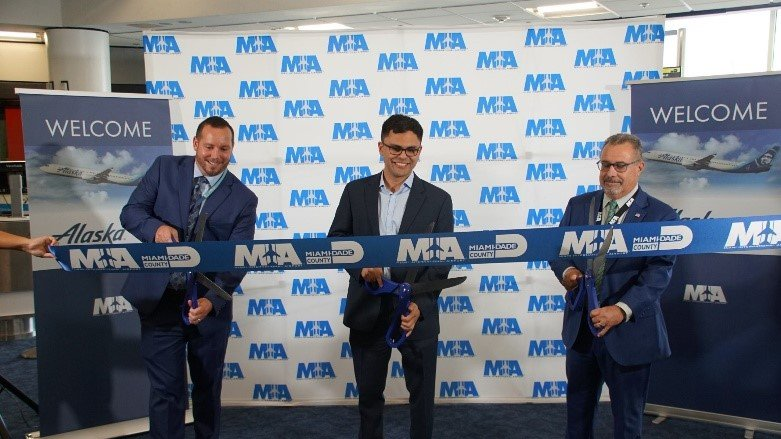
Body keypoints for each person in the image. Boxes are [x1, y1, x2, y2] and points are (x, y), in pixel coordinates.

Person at [120, 116, 257, 439]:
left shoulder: (244, 198)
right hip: (160, 301)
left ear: (232, 149)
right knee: (167, 391)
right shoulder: (164, 168)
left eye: (224, 148)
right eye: (209, 146)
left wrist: (211, 301)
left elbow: (238, 260)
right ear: (196, 143)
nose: (215, 155)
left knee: (208, 390)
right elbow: (131, 212)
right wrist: (155, 229)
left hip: (208, 310)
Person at [328, 114, 454, 439]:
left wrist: (420, 306)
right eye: (396, 148)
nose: (403, 156)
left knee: (422, 403)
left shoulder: (439, 200)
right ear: (381, 147)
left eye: (412, 150)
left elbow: (441, 262)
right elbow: (338, 239)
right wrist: (361, 268)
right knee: (369, 402)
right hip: (367, 310)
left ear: (420, 150)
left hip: (417, 315)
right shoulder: (355, 192)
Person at [549, 133, 678, 439]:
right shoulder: (578, 206)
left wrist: (620, 311)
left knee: (627, 424)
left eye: (620, 166)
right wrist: (567, 272)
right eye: (605, 164)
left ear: (640, 167)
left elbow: (658, 273)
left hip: (629, 334)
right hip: (581, 332)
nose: (611, 173)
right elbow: (558, 250)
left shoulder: (661, 215)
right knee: (576, 420)